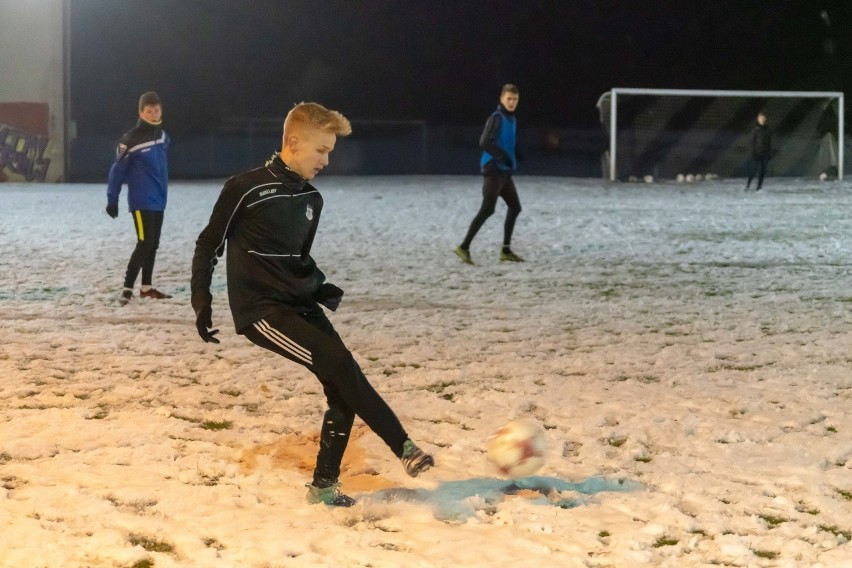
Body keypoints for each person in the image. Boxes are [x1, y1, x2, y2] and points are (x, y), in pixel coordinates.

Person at [191, 102, 435, 507]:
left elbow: (294, 258)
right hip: (262, 312)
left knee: (343, 389)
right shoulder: (245, 188)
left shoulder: (311, 198)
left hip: (300, 305)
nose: (326, 160)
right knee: (341, 366)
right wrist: (202, 299)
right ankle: (404, 447)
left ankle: (323, 487)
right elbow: (207, 244)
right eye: (321, 150)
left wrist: (319, 288)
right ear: (293, 141)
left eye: (330, 152)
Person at [106, 91, 172, 305]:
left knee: (153, 244)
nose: (153, 114)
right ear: (141, 112)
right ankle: (127, 289)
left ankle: (146, 287)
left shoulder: (162, 137)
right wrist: (112, 199)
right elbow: (117, 171)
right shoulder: (130, 140)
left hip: (159, 199)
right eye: (149, 111)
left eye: (156, 110)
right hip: (141, 200)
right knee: (144, 242)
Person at [455, 83, 524, 265]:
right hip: (493, 170)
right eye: (508, 99)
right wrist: (502, 156)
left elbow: (508, 141)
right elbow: (484, 142)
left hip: (505, 172)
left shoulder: (512, 119)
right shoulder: (496, 117)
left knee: (515, 207)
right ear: (501, 99)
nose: (511, 102)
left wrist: (516, 153)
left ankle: (506, 250)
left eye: (515, 99)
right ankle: (463, 247)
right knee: (487, 209)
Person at [745, 111, 771, 191]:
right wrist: (753, 153)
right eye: (761, 119)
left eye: (763, 119)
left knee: (763, 170)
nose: (762, 120)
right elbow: (751, 142)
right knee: (753, 169)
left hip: (765, 153)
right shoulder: (755, 129)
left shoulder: (768, 129)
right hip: (757, 153)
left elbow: (769, 141)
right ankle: (748, 186)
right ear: (758, 119)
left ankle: (759, 186)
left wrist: (769, 152)